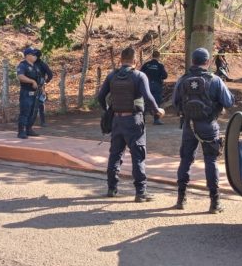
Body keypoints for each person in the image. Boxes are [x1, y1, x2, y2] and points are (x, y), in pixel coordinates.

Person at [97, 46, 165, 202]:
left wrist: (108, 111)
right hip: (134, 120)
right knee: (138, 156)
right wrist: (157, 111)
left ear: (121, 60)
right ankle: (140, 192)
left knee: (115, 155)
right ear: (135, 61)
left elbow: (101, 97)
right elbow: (148, 97)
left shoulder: (112, 76)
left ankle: (112, 188)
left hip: (117, 120)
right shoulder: (139, 76)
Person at [173, 47, 234, 213]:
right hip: (209, 126)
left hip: (189, 126)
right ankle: (215, 202)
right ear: (207, 62)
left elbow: (175, 102)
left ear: (192, 61)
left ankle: (181, 199)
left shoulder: (183, 79)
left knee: (186, 160)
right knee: (211, 161)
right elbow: (229, 102)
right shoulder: (215, 80)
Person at [16, 47, 43, 139]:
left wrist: (42, 89)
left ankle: (29, 129)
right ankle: (21, 131)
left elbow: (39, 79)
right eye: (33, 54)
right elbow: (20, 76)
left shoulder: (35, 66)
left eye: (35, 54)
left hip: (36, 93)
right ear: (27, 55)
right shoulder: (22, 65)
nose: (35, 56)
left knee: (33, 112)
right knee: (25, 111)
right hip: (26, 92)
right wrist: (32, 81)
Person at [139, 50, 168, 125]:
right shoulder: (160, 65)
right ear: (159, 56)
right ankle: (156, 119)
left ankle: (142, 119)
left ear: (152, 56)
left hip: (147, 85)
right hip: (157, 86)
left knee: (145, 101)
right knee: (156, 102)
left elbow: (140, 73)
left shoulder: (146, 64)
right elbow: (165, 76)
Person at [33, 49, 54, 127]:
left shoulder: (41, 64)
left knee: (40, 103)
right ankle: (31, 121)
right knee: (32, 103)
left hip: (39, 86)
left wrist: (45, 82)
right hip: (31, 86)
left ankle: (42, 121)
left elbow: (50, 75)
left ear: (37, 56)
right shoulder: (31, 64)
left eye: (34, 55)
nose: (32, 56)